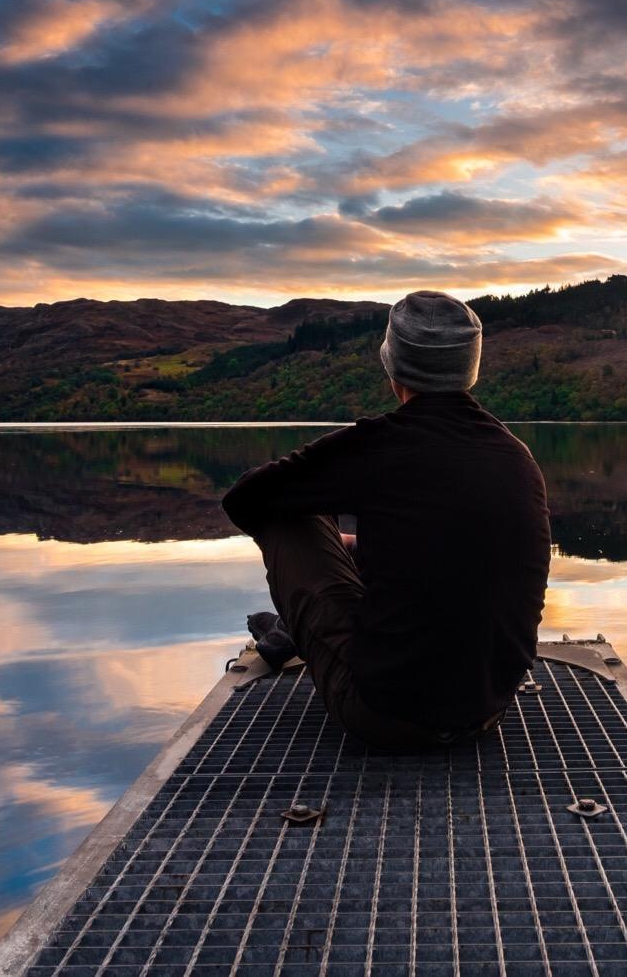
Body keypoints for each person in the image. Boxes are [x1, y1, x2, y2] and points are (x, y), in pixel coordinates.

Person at [220, 290, 552, 752]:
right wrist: (359, 544)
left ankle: (295, 632)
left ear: (393, 368)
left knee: (285, 515)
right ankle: (295, 631)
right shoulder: (516, 456)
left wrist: (332, 532)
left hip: (385, 716)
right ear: (470, 372)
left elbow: (246, 501)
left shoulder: (376, 447)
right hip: (488, 710)